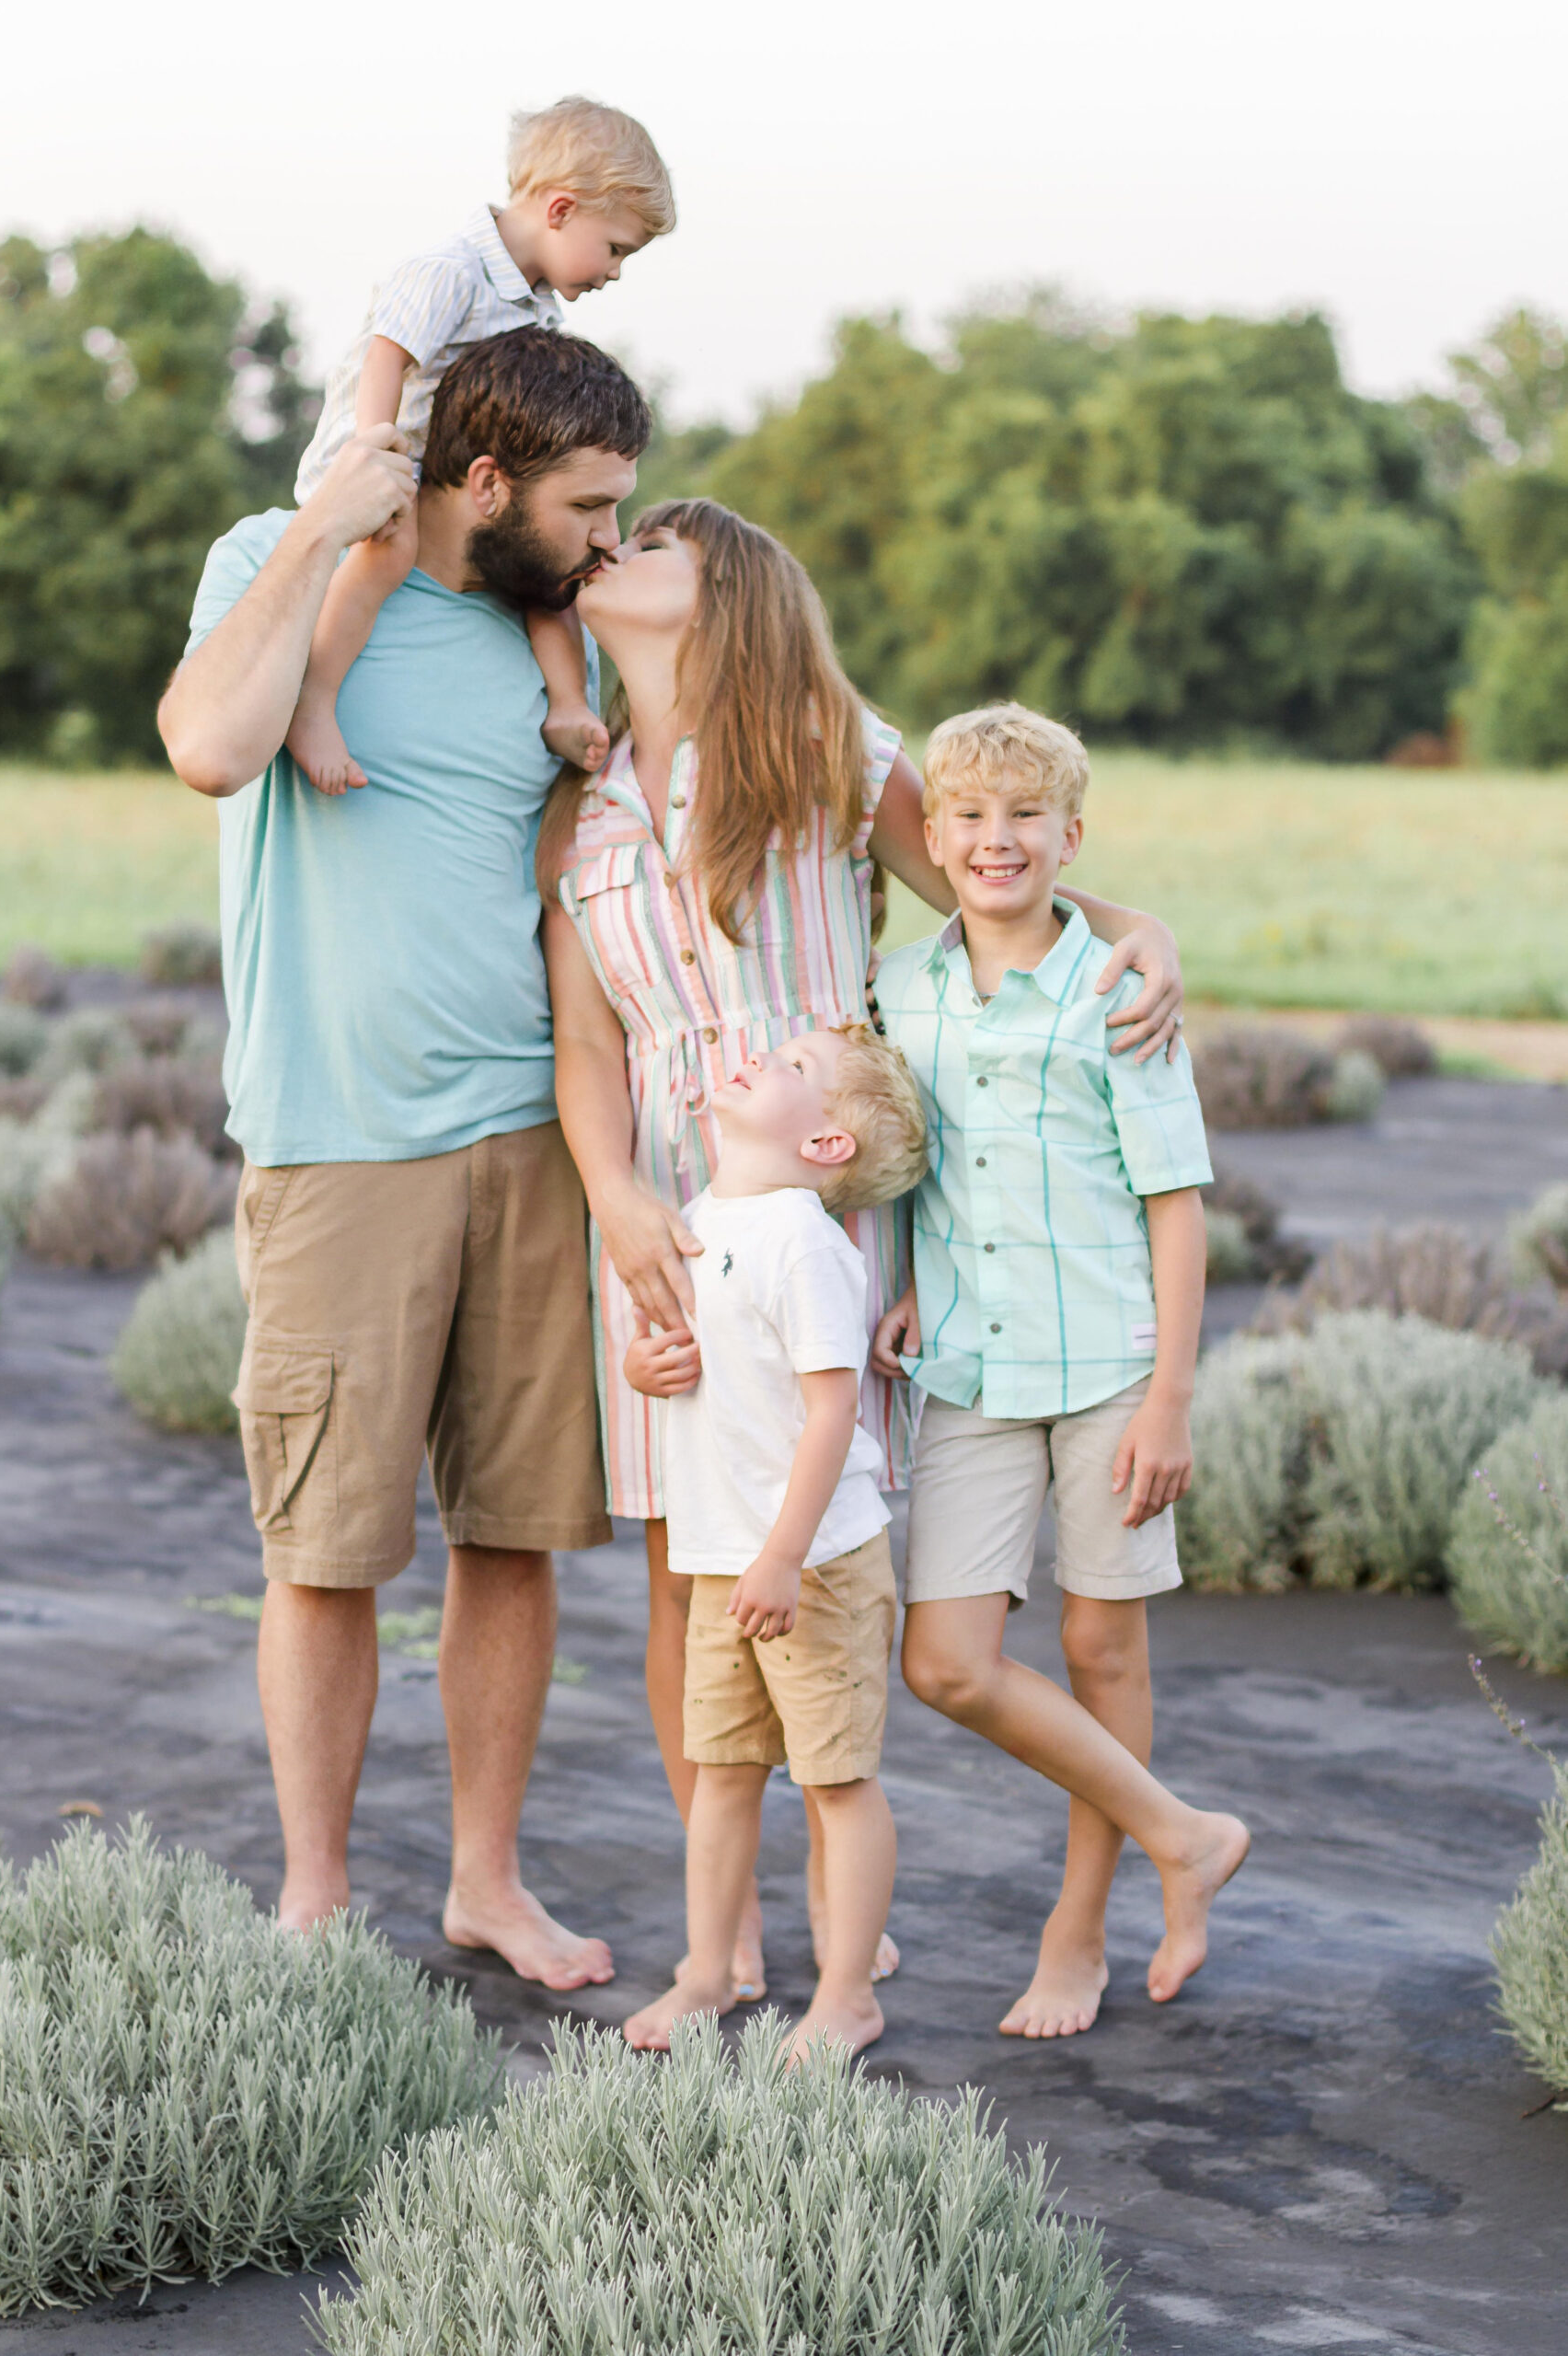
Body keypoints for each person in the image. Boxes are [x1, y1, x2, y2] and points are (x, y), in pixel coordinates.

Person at [539, 501, 1190, 2001]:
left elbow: (992, 889)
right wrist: (615, 1192)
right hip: (664, 1231)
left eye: (651, 544)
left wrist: (1136, 922)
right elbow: (585, 1042)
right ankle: (733, 1937)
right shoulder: (576, 806)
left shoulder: (828, 751)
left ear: (724, 600)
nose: (612, 550)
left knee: (824, 1564)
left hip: (835, 1232)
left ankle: (849, 1905)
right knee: (685, 1574)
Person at [156, 327, 653, 1991]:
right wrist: (317, 534)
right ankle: (313, 1894)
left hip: (528, 1135)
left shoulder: (553, 631)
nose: (605, 538)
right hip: (339, 1143)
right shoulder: (274, 561)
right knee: (328, 1548)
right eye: (587, 505)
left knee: (508, 1538)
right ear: (486, 476)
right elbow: (210, 747)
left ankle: (485, 1885)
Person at [872, 702, 1250, 2037]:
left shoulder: (1115, 989)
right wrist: (912, 1276)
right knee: (946, 1662)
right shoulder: (899, 991)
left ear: (1069, 835)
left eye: (1024, 817)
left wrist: (1169, 1400)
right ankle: (1181, 1833)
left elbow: (1174, 1206)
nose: (994, 839)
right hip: (969, 1367)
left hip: (1107, 1366)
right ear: (930, 834)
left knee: (1098, 1642)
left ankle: (1076, 1930)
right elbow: (925, 1158)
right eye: (965, 816)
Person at [618, 1023, 928, 2057]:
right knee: (722, 1773)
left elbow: (833, 1413)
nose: (766, 1057)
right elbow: (692, 1356)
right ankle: (707, 1974)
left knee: (837, 1782)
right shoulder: (705, 1217)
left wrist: (785, 1557)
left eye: (798, 1069)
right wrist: (643, 1366)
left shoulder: (803, 1239)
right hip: (721, 1559)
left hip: (814, 1566)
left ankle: (848, 1994)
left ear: (829, 1146)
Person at [286, 98, 674, 795]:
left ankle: (566, 707)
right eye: (614, 248)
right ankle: (314, 705)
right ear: (559, 210)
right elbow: (388, 359)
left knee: (547, 571)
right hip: (383, 467)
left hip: (461, 484)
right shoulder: (449, 271)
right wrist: (373, 466)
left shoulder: (536, 304)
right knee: (384, 557)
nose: (614, 270)